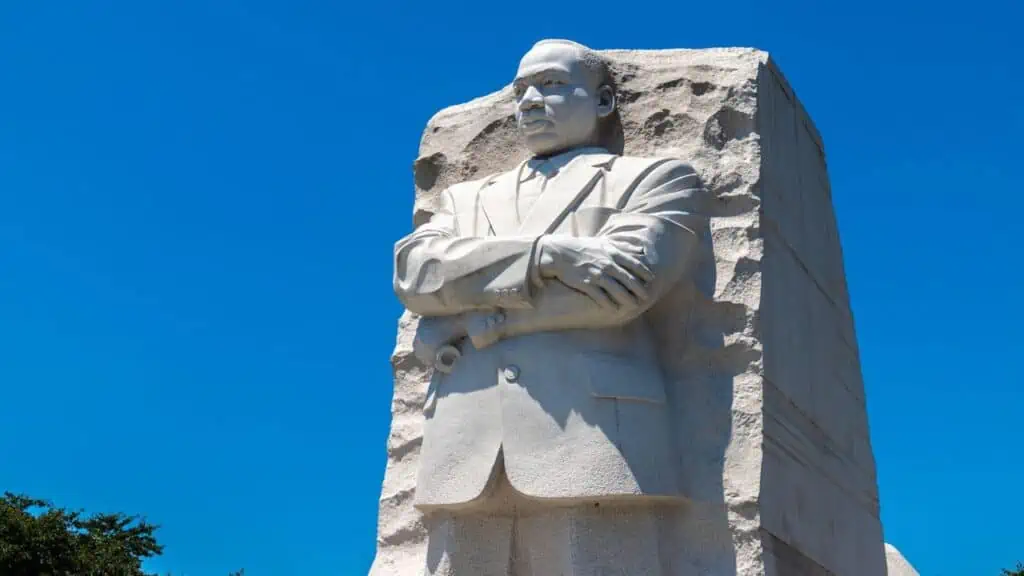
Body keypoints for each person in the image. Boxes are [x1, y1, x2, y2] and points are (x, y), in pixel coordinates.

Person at [393, 38, 707, 575]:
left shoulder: (654, 179)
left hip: (596, 445)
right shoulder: (465, 200)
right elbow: (416, 274)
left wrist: (470, 322)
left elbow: (622, 290)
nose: (531, 101)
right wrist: (547, 255)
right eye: (521, 91)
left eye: (553, 85)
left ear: (605, 101)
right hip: (463, 454)